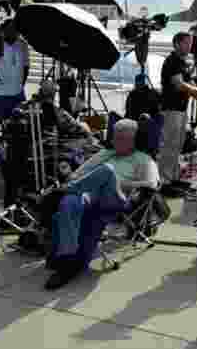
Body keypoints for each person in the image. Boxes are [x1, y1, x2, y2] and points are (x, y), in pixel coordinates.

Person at [45, 119, 158, 290]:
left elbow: (151, 184)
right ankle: (67, 261)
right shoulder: (104, 154)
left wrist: (123, 183)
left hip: (116, 197)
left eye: (122, 139)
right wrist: (76, 182)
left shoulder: (143, 159)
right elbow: (77, 174)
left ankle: (64, 191)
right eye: (115, 138)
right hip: (89, 194)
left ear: (133, 141)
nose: (115, 142)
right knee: (70, 203)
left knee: (107, 171)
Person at [160, 32, 197, 193]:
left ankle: (174, 177)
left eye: (190, 43)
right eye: (186, 43)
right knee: (170, 145)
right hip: (171, 109)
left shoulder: (183, 63)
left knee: (177, 145)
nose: (190, 46)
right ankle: (164, 180)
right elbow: (179, 84)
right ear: (177, 43)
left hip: (181, 109)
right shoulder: (172, 61)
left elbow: (189, 85)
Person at [0, 20, 31, 123]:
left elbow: (26, 66)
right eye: (10, 29)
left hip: (17, 93)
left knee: (18, 125)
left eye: (16, 29)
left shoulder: (22, 44)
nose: (14, 31)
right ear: (4, 30)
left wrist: (20, 86)